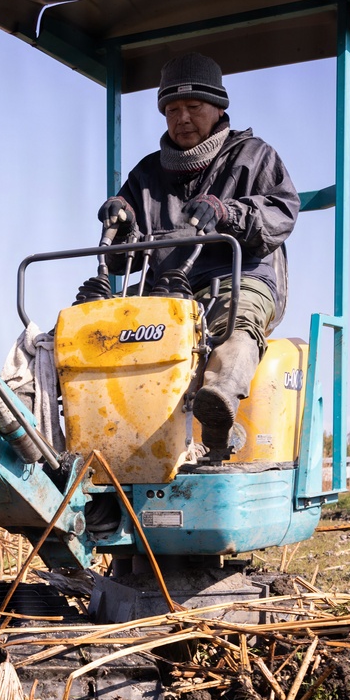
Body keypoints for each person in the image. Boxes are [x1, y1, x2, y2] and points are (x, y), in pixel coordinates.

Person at [78, 53, 300, 457]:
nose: (182, 118)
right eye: (172, 109)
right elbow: (119, 260)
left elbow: (281, 214)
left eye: (193, 107)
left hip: (239, 278)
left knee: (233, 323)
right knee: (109, 333)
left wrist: (226, 212)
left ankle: (217, 403)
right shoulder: (146, 175)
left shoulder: (254, 156)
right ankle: (107, 445)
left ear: (218, 108)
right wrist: (121, 220)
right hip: (167, 289)